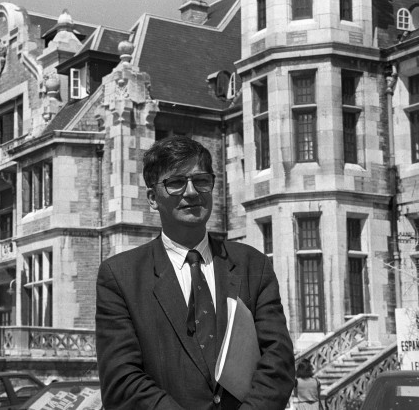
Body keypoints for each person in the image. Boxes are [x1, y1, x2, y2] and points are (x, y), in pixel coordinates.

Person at [95, 135, 295, 409]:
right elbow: (122, 381)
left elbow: (278, 360)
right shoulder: (121, 277)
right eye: (176, 183)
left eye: (201, 180)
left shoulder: (252, 265)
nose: (191, 192)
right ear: (153, 198)